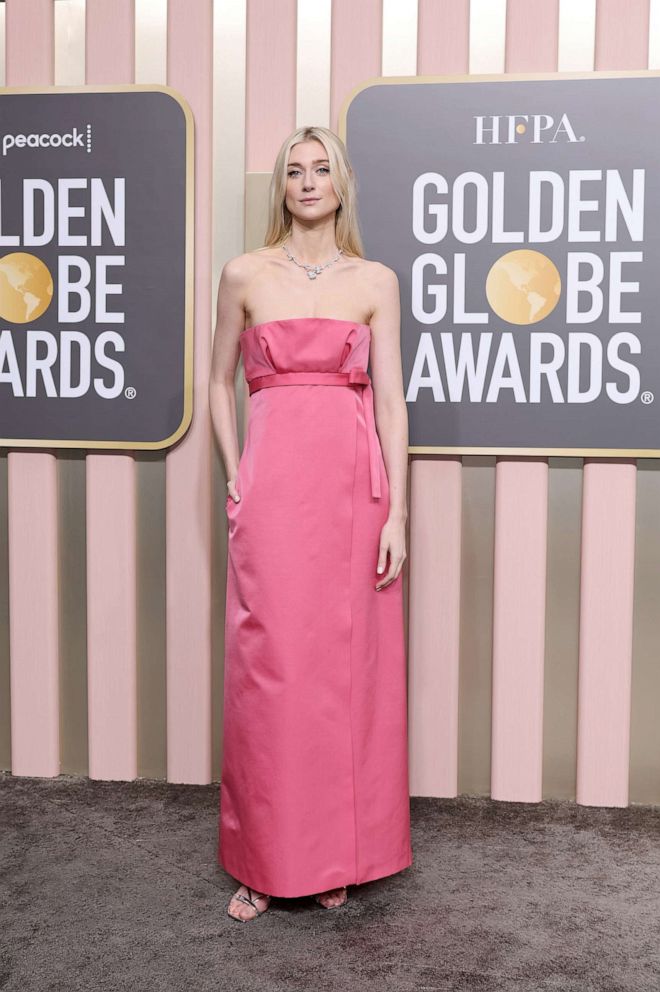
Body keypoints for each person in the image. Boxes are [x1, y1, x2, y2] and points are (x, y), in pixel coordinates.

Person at [208, 125, 412, 922]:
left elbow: (391, 400)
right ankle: (263, 859)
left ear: (341, 183)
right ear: (281, 188)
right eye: (295, 170)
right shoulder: (244, 274)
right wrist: (237, 475)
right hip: (274, 490)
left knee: (341, 674)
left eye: (322, 168)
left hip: (352, 493)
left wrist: (398, 506)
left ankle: (332, 853)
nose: (308, 180)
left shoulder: (375, 280)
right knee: (272, 670)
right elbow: (217, 382)